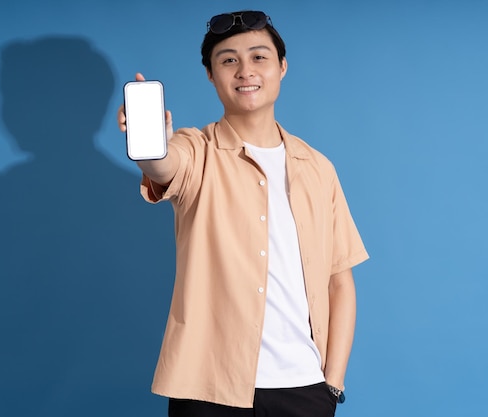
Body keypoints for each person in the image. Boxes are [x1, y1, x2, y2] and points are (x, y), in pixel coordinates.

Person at [117, 10, 369, 417]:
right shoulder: (195, 149)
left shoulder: (318, 168)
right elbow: (165, 166)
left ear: (282, 67)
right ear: (210, 75)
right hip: (207, 388)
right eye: (228, 60)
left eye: (258, 57)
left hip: (303, 389)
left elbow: (340, 283)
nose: (245, 71)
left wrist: (332, 384)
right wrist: (151, 148)